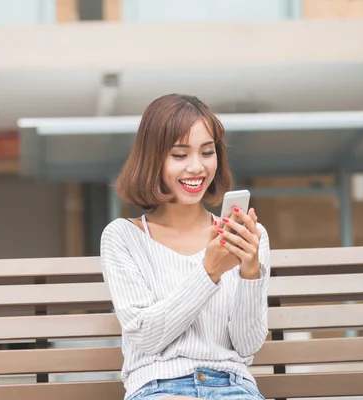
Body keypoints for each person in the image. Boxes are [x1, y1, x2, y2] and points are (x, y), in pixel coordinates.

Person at [100, 93, 270, 400]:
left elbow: (246, 346)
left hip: (233, 387)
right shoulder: (123, 238)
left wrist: (250, 273)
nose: (197, 167)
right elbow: (145, 338)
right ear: (153, 160)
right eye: (180, 155)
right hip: (158, 388)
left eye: (207, 152)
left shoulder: (247, 236)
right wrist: (209, 272)